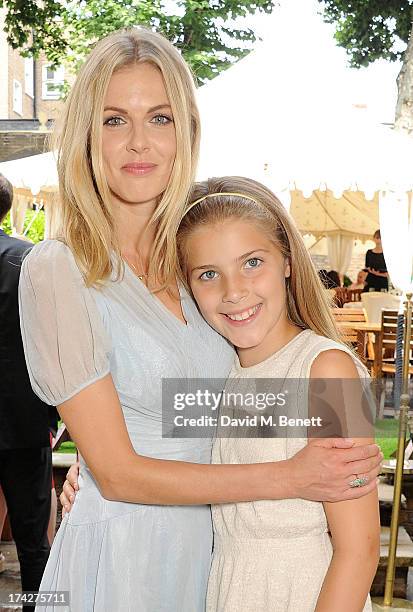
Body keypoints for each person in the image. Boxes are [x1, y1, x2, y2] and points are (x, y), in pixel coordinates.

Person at [22, 28, 381, 612]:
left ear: (186, 129)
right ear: (87, 134)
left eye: (159, 118)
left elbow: (208, 403)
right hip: (126, 551)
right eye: (114, 120)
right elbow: (120, 476)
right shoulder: (59, 269)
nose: (139, 142)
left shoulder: (196, 260)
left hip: (216, 559)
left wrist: (342, 414)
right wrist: (291, 475)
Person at [176, 177, 379, 611]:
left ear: (287, 260)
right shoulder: (218, 373)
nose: (234, 291)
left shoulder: (327, 369)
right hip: (228, 591)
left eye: (252, 263)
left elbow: (359, 549)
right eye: (209, 274)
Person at [0, 174, 57, 609]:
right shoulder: (31, 260)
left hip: (22, 415)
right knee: (33, 530)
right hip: (24, 414)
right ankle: (42, 606)